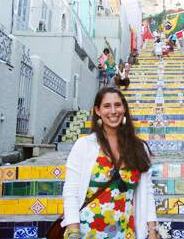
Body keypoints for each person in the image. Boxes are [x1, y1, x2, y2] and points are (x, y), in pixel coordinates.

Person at [61, 86, 158, 239]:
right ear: (98, 111)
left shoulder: (139, 148)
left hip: (126, 233)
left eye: (117, 105)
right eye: (107, 106)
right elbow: (71, 192)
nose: (113, 111)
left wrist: (152, 230)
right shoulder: (84, 145)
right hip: (87, 232)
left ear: (124, 108)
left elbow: (147, 191)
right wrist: (74, 233)